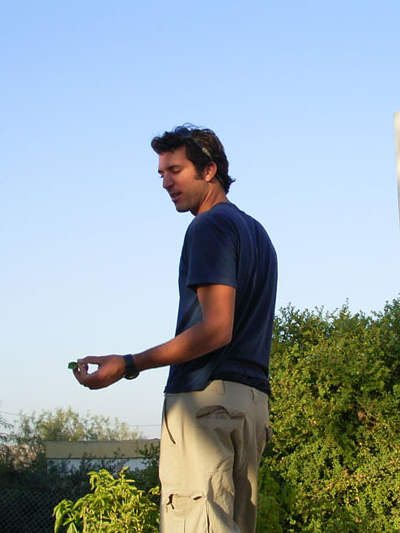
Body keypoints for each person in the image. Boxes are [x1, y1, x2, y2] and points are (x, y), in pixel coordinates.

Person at [73, 124, 278, 533]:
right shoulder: (258, 234)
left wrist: (128, 363)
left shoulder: (208, 227)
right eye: (162, 174)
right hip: (251, 404)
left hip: (206, 402)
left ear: (209, 171)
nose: (166, 182)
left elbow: (217, 329)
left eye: (176, 171)